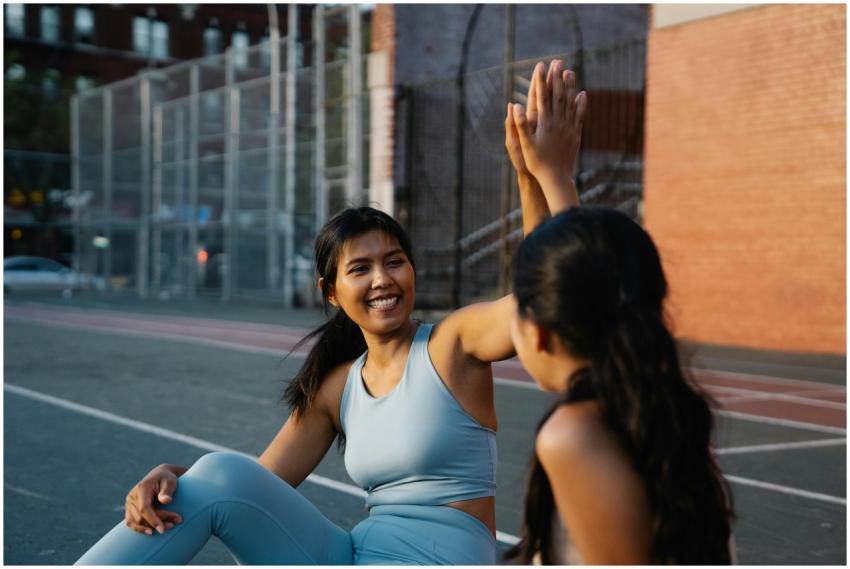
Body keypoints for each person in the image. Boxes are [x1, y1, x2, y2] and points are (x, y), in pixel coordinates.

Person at [75, 61, 576, 566]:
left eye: (394, 262)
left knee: (218, 473)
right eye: (360, 269)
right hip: (356, 554)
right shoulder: (338, 388)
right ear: (331, 292)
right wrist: (174, 479)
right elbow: (251, 489)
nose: (382, 279)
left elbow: (541, 297)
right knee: (217, 472)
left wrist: (536, 177)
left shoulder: (452, 345)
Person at [501, 62, 735, 564]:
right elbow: (582, 275)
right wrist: (548, 176)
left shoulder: (574, 436)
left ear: (538, 335)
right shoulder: (656, 411)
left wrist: (550, 175)